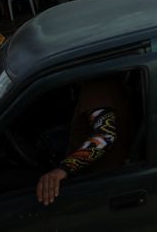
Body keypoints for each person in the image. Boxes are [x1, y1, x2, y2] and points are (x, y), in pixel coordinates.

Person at [36, 77, 132, 206]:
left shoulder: (96, 85)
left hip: (97, 178)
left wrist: (63, 169)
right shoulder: (103, 82)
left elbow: (105, 135)